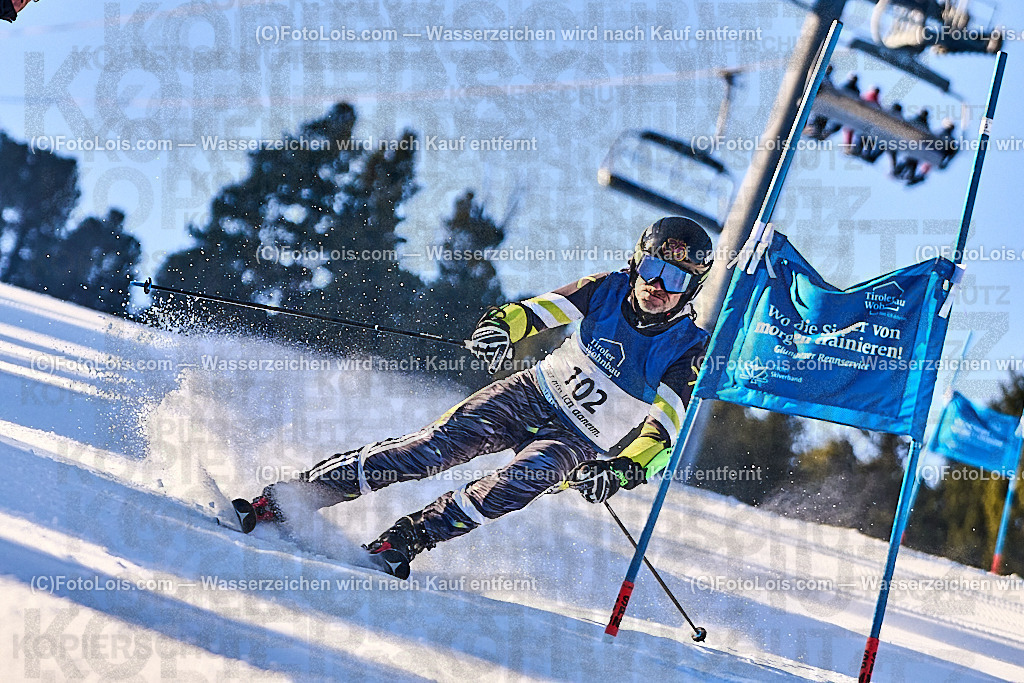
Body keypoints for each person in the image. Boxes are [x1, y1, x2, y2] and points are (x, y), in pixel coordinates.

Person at [245, 217, 713, 578]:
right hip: (531, 394)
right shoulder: (607, 287)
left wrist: (623, 469)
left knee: (511, 487)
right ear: (636, 264)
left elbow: (665, 428)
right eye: (652, 268)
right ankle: (292, 496)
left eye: (674, 279)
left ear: (690, 288)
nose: (657, 286)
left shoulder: (688, 348)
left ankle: (406, 541)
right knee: (430, 451)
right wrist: (499, 327)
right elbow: (534, 312)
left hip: (578, 442)